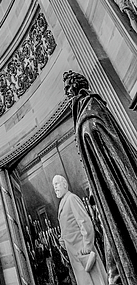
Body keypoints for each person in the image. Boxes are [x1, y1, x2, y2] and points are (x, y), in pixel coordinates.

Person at [64, 70, 137, 285]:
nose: (67, 93)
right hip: (104, 192)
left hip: (113, 184)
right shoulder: (83, 113)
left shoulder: (91, 110)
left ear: (77, 86)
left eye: (69, 87)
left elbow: (113, 148)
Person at [52, 175, 106, 285]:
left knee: (95, 280)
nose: (55, 187)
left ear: (65, 184)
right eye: (54, 185)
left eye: (57, 184)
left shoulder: (71, 198)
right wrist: (63, 239)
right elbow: (68, 227)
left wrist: (87, 246)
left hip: (83, 251)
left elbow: (85, 222)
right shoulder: (62, 203)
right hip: (74, 253)